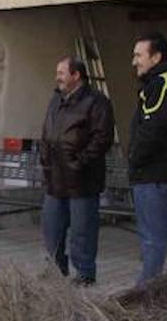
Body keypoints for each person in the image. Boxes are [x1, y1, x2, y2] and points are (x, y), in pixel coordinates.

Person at [38, 56, 114, 285]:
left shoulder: (96, 101)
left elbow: (102, 139)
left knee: (83, 231)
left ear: (76, 75)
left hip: (82, 180)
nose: (57, 77)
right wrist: (45, 159)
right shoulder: (56, 99)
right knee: (52, 228)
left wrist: (79, 162)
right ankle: (56, 269)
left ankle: (85, 273)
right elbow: (47, 132)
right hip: (55, 178)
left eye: (61, 72)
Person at [127, 32, 167, 285]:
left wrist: (134, 159)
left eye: (139, 55)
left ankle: (146, 292)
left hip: (153, 175)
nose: (135, 61)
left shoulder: (161, 85)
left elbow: (151, 131)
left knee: (152, 238)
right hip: (164, 174)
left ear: (156, 57)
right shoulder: (165, 82)